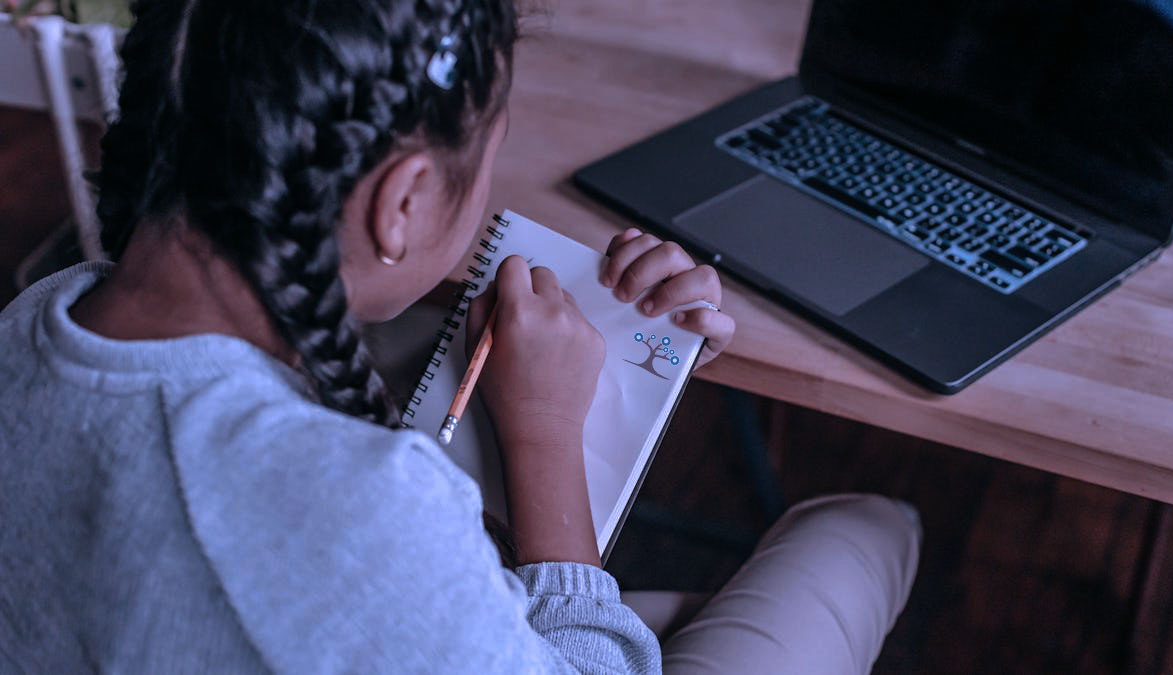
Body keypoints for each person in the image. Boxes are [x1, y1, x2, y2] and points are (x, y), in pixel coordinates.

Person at [0, 0, 919, 672]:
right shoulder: (364, 511)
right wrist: (545, 440)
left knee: (688, 610)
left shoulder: (39, 320)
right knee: (865, 529)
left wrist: (633, 345)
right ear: (399, 203)